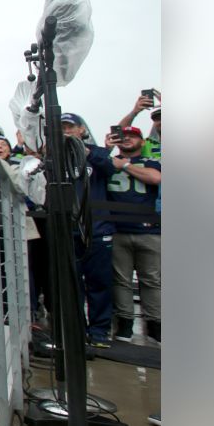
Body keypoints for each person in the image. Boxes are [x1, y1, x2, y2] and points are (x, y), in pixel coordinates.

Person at [62, 112, 116, 348]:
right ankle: (77, 330)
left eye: (70, 126)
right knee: (72, 283)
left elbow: (110, 169)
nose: (66, 130)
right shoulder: (56, 157)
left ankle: (100, 330)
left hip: (97, 229)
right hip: (68, 229)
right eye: (62, 127)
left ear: (81, 129)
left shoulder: (98, 153)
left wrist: (89, 153)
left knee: (99, 281)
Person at [104, 126, 161, 343]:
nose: (127, 138)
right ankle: (125, 325)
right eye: (124, 136)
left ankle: (156, 325)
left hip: (150, 231)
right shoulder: (108, 162)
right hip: (117, 230)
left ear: (143, 141)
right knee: (121, 280)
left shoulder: (152, 162)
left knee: (152, 280)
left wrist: (125, 165)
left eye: (133, 136)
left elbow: (156, 178)